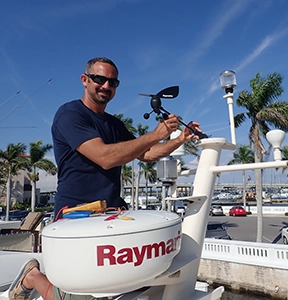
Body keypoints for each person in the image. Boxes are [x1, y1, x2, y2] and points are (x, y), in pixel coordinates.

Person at [9, 57, 202, 300]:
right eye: (100, 79)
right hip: (75, 213)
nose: (106, 86)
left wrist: (179, 139)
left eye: (113, 82)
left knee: (132, 284)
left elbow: (147, 153)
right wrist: (155, 134)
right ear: (85, 80)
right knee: (78, 297)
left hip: (113, 212)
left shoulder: (115, 124)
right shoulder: (70, 114)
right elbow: (104, 157)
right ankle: (33, 276)